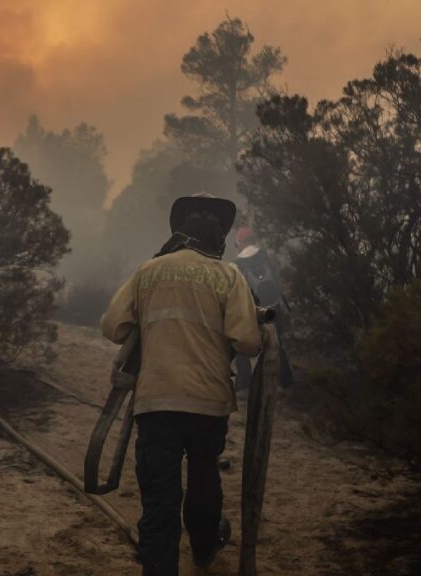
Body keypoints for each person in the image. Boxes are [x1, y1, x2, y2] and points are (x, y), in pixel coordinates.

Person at [101, 194, 261, 575]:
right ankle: (204, 549)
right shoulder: (229, 276)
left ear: (179, 232)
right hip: (208, 402)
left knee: (160, 501)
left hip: (156, 404)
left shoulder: (149, 271)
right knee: (205, 474)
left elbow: (112, 327)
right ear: (218, 238)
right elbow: (249, 342)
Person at [232, 227, 293, 389]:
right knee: (277, 344)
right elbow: (279, 282)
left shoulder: (236, 264)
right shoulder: (269, 255)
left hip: (254, 311)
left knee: (240, 345)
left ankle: (244, 382)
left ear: (240, 243)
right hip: (274, 307)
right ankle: (286, 382)